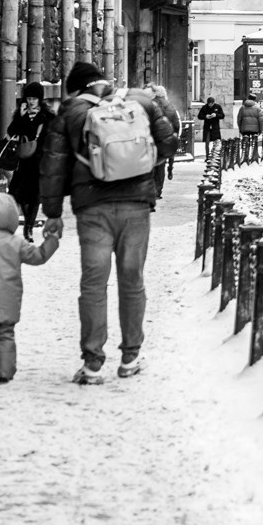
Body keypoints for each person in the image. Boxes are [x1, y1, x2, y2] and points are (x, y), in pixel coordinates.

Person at [38, 62, 181, 384]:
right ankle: (131, 357)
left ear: (76, 89)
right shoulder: (139, 99)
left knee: (93, 283)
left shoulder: (72, 111)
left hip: (92, 208)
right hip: (136, 205)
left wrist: (53, 213)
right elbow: (170, 143)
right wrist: (142, 165)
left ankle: (92, 364)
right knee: (132, 280)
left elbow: (53, 165)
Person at [0, 191, 60, 383]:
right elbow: (39, 257)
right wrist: (52, 240)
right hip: (8, 303)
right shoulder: (17, 244)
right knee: (5, 336)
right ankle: (5, 372)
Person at [0, 80, 52, 240]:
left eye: (34, 98)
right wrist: (21, 117)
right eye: (29, 98)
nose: (31, 101)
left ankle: (28, 228)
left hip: (40, 161)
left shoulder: (47, 116)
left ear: (40, 99)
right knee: (17, 195)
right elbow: (11, 131)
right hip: (24, 161)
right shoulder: (21, 114)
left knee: (34, 197)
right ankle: (27, 222)